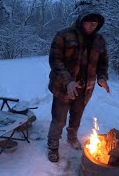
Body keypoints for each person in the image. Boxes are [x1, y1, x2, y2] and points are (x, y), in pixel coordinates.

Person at [47, 11, 110, 162]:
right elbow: (55, 61)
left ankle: (72, 137)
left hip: (85, 88)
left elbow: (103, 61)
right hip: (63, 87)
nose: (92, 25)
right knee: (59, 119)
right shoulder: (64, 35)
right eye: (89, 21)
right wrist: (68, 81)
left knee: (77, 117)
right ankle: (53, 145)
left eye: (95, 23)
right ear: (81, 21)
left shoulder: (99, 40)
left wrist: (102, 77)